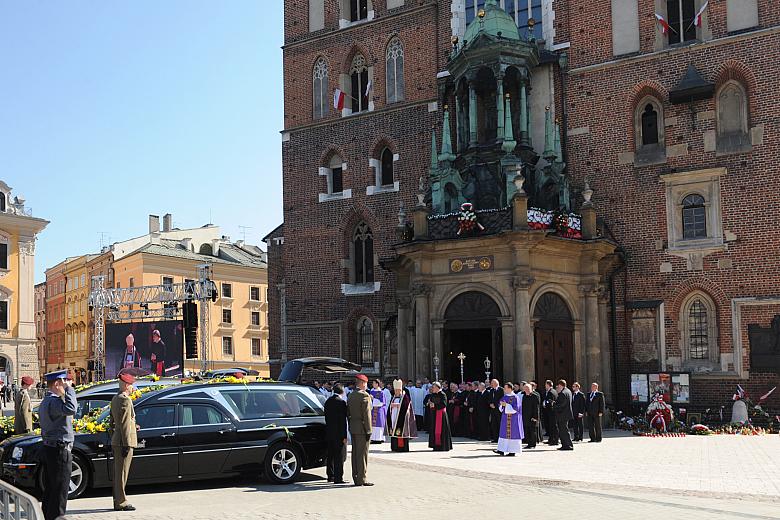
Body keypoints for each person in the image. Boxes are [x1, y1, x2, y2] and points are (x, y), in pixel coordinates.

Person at [39, 370, 78, 520]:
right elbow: (71, 408)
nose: (67, 384)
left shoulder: (46, 401)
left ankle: (49, 517)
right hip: (59, 450)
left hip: (51, 448)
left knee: (52, 489)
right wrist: (69, 389)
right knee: (60, 491)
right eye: (64, 382)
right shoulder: (54, 402)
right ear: (57, 383)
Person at [110, 371, 139, 511]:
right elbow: (125, 424)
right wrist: (127, 443)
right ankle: (121, 502)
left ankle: (117, 500)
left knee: (118, 473)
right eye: (132, 385)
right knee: (122, 474)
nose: (133, 388)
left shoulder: (115, 398)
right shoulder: (125, 400)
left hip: (117, 439)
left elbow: (113, 422)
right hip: (123, 441)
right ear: (127, 385)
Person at [347, 374, 373, 487]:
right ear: (362, 383)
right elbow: (366, 415)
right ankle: (362, 478)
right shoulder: (365, 396)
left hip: (353, 426)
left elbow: (348, 413)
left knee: (355, 453)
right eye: (366, 383)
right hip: (362, 428)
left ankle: (355, 476)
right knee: (362, 454)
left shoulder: (351, 395)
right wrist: (369, 430)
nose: (366, 386)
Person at [324, 384, 348, 484]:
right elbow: (342, 421)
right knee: (339, 456)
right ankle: (338, 478)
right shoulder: (341, 402)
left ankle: (330, 475)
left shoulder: (327, 401)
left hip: (329, 432)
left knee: (330, 455)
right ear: (342, 391)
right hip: (338, 433)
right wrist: (344, 436)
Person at [494, 383, 524, 456]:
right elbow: (500, 407)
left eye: (505, 388)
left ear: (510, 388)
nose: (504, 389)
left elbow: (516, 409)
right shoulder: (505, 396)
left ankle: (512, 451)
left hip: (513, 420)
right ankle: (501, 450)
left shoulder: (516, 398)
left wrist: (506, 405)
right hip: (505, 419)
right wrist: (501, 405)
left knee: (513, 434)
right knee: (503, 434)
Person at [387, 379, 417, 452]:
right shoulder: (393, 397)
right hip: (394, 416)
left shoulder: (405, 397)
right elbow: (389, 405)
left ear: (400, 390)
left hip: (402, 418)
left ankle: (402, 447)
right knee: (394, 429)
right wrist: (391, 406)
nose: (396, 392)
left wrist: (398, 405)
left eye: (397, 390)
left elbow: (406, 406)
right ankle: (394, 446)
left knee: (401, 430)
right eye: (395, 390)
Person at [427, 382, 452, 451]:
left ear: (438, 387)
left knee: (442, 430)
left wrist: (434, 405)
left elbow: (444, 404)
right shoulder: (432, 395)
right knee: (434, 429)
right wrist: (430, 404)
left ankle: (443, 446)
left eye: (433, 387)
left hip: (441, 414)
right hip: (434, 414)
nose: (432, 389)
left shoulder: (443, 394)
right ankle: (436, 445)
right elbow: (431, 402)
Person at [554, 379, 574, 451]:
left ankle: (568, 445)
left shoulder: (563, 393)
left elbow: (561, 405)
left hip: (562, 415)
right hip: (566, 414)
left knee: (563, 430)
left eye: (558, 386)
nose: (558, 387)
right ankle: (565, 445)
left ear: (560, 385)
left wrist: (554, 405)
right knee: (564, 430)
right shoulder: (568, 391)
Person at [521, 383, 539, 449]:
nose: (526, 390)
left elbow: (536, 408)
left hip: (532, 417)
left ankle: (533, 444)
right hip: (525, 416)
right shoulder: (524, 396)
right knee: (527, 431)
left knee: (532, 431)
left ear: (530, 389)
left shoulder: (534, 396)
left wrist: (535, 417)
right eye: (525, 388)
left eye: (527, 388)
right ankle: (529, 444)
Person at [369, 379, 388, 444]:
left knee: (379, 424)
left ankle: (379, 438)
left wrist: (373, 399)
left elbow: (382, 402)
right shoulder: (371, 391)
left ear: (377, 384)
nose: (373, 384)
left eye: (374, 383)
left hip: (379, 410)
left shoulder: (381, 392)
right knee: (373, 424)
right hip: (372, 409)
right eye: (373, 383)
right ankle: (373, 438)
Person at [542, 380, 559, 445]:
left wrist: (545, 403)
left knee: (553, 426)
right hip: (549, 412)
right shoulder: (549, 391)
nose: (545, 386)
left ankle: (555, 440)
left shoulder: (552, 392)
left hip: (552, 412)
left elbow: (551, 401)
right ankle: (551, 439)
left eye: (546, 384)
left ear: (548, 385)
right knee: (550, 426)